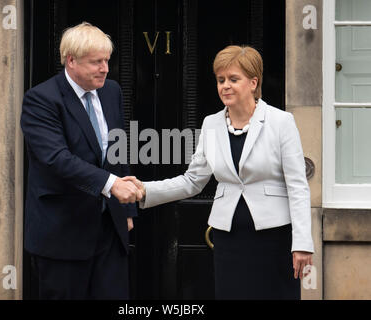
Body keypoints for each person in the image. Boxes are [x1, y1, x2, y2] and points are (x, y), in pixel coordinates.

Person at [127, 45, 314, 300]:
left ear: (253, 82)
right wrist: (145, 190)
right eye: (220, 80)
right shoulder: (211, 124)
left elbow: (297, 186)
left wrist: (302, 243)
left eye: (233, 79)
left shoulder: (280, 122)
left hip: (274, 239)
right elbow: (192, 181)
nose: (225, 86)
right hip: (229, 238)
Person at [21, 22, 141, 299]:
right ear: (71, 60)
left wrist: (128, 209)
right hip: (62, 232)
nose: (105, 68)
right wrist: (111, 185)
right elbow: (56, 158)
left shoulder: (111, 91)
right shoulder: (40, 99)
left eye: (107, 60)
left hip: (110, 227)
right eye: (96, 62)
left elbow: (117, 149)